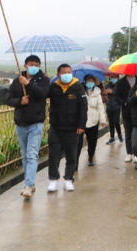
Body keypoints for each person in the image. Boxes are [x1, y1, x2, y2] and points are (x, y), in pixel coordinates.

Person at [6, 55, 50, 198]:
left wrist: (28, 84)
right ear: (25, 66)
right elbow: (8, 99)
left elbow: (43, 94)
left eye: (37, 64)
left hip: (36, 123)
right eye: (31, 64)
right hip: (20, 123)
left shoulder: (43, 80)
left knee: (32, 154)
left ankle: (28, 186)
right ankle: (29, 183)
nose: (34, 67)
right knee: (25, 155)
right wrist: (20, 101)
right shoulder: (16, 81)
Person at [47, 64, 87, 192]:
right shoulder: (53, 87)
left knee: (71, 156)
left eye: (69, 72)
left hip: (72, 128)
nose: (67, 74)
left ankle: (68, 179)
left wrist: (81, 125)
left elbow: (83, 107)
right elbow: (41, 96)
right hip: (55, 128)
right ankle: (53, 179)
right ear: (58, 75)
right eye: (64, 72)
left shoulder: (78, 87)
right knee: (54, 155)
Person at [77, 75, 107, 168]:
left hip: (93, 120)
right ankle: (75, 162)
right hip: (81, 120)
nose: (90, 83)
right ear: (85, 82)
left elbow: (100, 107)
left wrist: (102, 120)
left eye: (92, 81)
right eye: (88, 81)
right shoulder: (79, 90)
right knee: (78, 142)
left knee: (92, 141)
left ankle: (90, 157)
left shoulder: (97, 92)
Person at [115, 74, 137, 163]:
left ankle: (136, 153)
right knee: (128, 133)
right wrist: (124, 103)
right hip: (126, 111)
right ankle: (129, 152)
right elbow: (116, 96)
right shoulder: (121, 82)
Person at [105, 74, 123, 145]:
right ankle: (112, 137)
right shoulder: (107, 85)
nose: (113, 79)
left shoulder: (119, 85)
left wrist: (113, 92)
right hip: (109, 106)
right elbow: (103, 94)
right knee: (111, 123)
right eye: (112, 77)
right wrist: (106, 92)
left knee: (116, 122)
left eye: (115, 77)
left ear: (117, 78)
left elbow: (121, 94)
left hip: (117, 106)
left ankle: (120, 135)